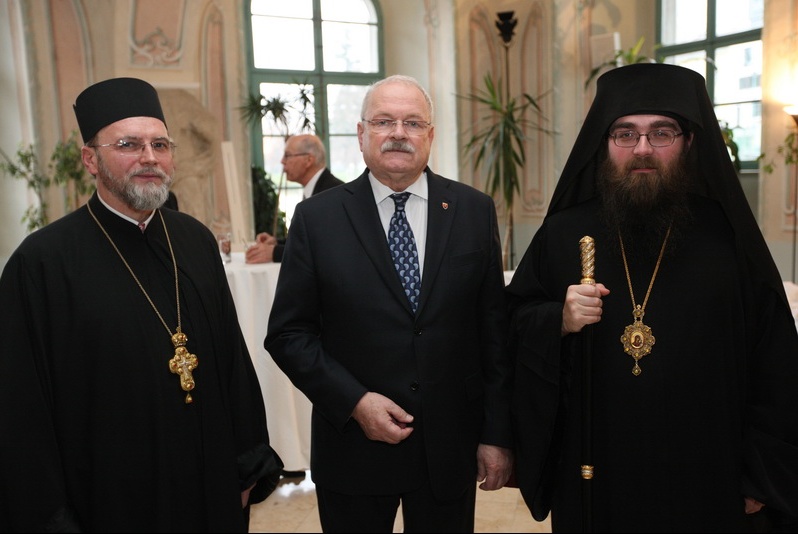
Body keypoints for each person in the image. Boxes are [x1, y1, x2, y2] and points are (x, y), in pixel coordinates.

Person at [506, 63, 798, 532]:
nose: (642, 148)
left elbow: (775, 362)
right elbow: (511, 322)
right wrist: (556, 319)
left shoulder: (728, 239)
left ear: (689, 142)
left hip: (708, 473)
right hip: (595, 470)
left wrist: (759, 473)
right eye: (625, 134)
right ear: (604, 144)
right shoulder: (564, 233)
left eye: (661, 133)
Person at [0, 77, 283, 532]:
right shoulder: (42, 262)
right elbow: (22, 406)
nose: (149, 157)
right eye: (129, 145)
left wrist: (247, 462)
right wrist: (50, 515)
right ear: (90, 160)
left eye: (160, 145)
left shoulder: (194, 240)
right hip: (107, 496)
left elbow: (231, 359)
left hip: (207, 482)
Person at [265, 74, 514, 532]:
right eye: (384, 121)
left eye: (413, 123)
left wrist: (496, 434)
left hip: (449, 449)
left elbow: (493, 332)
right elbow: (288, 334)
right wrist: (355, 401)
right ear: (361, 133)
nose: (399, 133)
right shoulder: (317, 218)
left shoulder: (473, 211)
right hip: (352, 448)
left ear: (430, 135)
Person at [245, 133, 343, 264]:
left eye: (287, 155)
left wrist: (275, 252)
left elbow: (324, 248)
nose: (282, 161)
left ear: (308, 160)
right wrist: (277, 243)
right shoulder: (318, 187)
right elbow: (309, 240)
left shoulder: (332, 193)